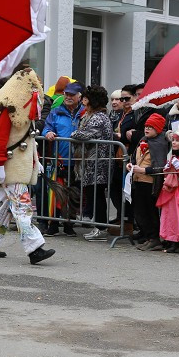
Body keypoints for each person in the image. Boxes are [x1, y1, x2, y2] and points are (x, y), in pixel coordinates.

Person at [0, 66, 56, 265]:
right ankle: (35, 248)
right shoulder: (8, 110)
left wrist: (36, 161)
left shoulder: (20, 109)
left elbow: (26, 141)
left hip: (11, 167)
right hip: (8, 167)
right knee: (23, 207)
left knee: (1, 208)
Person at [70, 85, 114, 241]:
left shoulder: (98, 118)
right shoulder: (93, 115)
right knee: (94, 195)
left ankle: (101, 228)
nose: (83, 101)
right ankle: (99, 227)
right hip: (92, 163)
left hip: (98, 164)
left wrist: (74, 133)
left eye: (85, 98)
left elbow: (83, 134)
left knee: (97, 196)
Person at [43, 81, 83, 235]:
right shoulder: (56, 111)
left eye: (72, 94)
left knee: (73, 193)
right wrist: (47, 132)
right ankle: (53, 225)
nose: (68, 97)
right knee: (56, 193)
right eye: (66, 93)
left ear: (79, 96)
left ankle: (69, 225)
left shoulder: (85, 113)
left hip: (78, 161)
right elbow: (47, 126)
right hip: (59, 160)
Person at [127, 112, 168, 251]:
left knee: (150, 212)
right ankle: (148, 237)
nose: (147, 129)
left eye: (151, 127)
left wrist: (144, 171)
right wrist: (131, 164)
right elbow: (134, 156)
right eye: (146, 126)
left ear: (158, 129)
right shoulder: (143, 140)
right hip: (138, 180)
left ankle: (155, 238)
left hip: (150, 183)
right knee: (140, 211)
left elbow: (161, 166)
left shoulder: (160, 143)